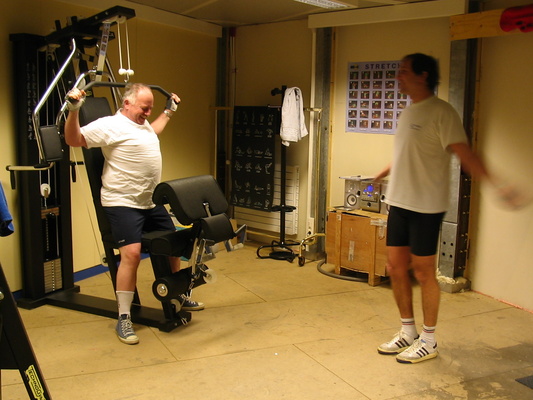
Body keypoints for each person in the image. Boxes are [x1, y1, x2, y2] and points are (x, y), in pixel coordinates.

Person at [374, 53, 505, 363]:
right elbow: (410, 153)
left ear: (423, 75)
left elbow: (466, 155)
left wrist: (496, 184)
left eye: (404, 71)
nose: (398, 77)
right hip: (399, 202)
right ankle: (408, 331)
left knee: (423, 272)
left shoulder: (442, 113)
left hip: (425, 207)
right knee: (395, 268)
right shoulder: (409, 112)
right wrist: (383, 171)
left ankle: (429, 340)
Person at [64, 83, 204, 345]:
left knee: (173, 246)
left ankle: (176, 294)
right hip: (122, 202)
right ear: (126, 103)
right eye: (144, 108)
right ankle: (124, 317)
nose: (148, 113)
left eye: (151, 108)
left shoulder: (143, 125)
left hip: (150, 201)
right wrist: (73, 111)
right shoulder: (110, 125)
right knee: (131, 254)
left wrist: (169, 112)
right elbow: (74, 140)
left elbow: (154, 130)